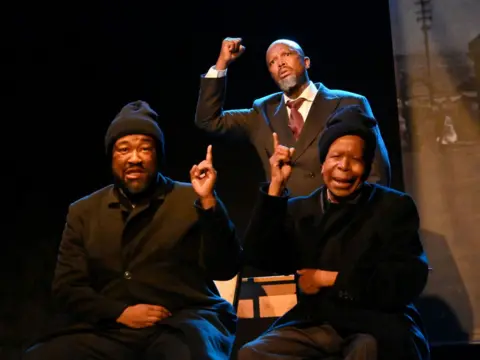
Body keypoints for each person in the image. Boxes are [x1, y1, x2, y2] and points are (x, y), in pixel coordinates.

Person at [23, 100, 242, 360]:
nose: (134, 158)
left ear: (157, 155)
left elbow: (225, 267)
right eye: (124, 149)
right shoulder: (84, 211)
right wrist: (119, 312)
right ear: (112, 157)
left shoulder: (190, 198)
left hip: (184, 323)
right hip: (115, 327)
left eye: (145, 149)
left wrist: (208, 204)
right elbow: (68, 288)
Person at [237, 105, 430, 360]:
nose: (344, 167)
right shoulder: (301, 209)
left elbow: (406, 279)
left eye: (356, 159)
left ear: (367, 164)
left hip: (375, 322)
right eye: (336, 156)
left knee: (366, 348)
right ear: (323, 161)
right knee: (252, 353)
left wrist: (328, 279)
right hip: (317, 321)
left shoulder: (392, 207)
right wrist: (275, 189)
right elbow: (259, 257)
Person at [195, 37, 391, 197]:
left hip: (341, 218)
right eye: (272, 62)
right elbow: (208, 120)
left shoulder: (349, 103)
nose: (280, 63)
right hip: (289, 227)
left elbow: (377, 170)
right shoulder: (261, 112)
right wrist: (222, 63)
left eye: (286, 54)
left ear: (306, 62)